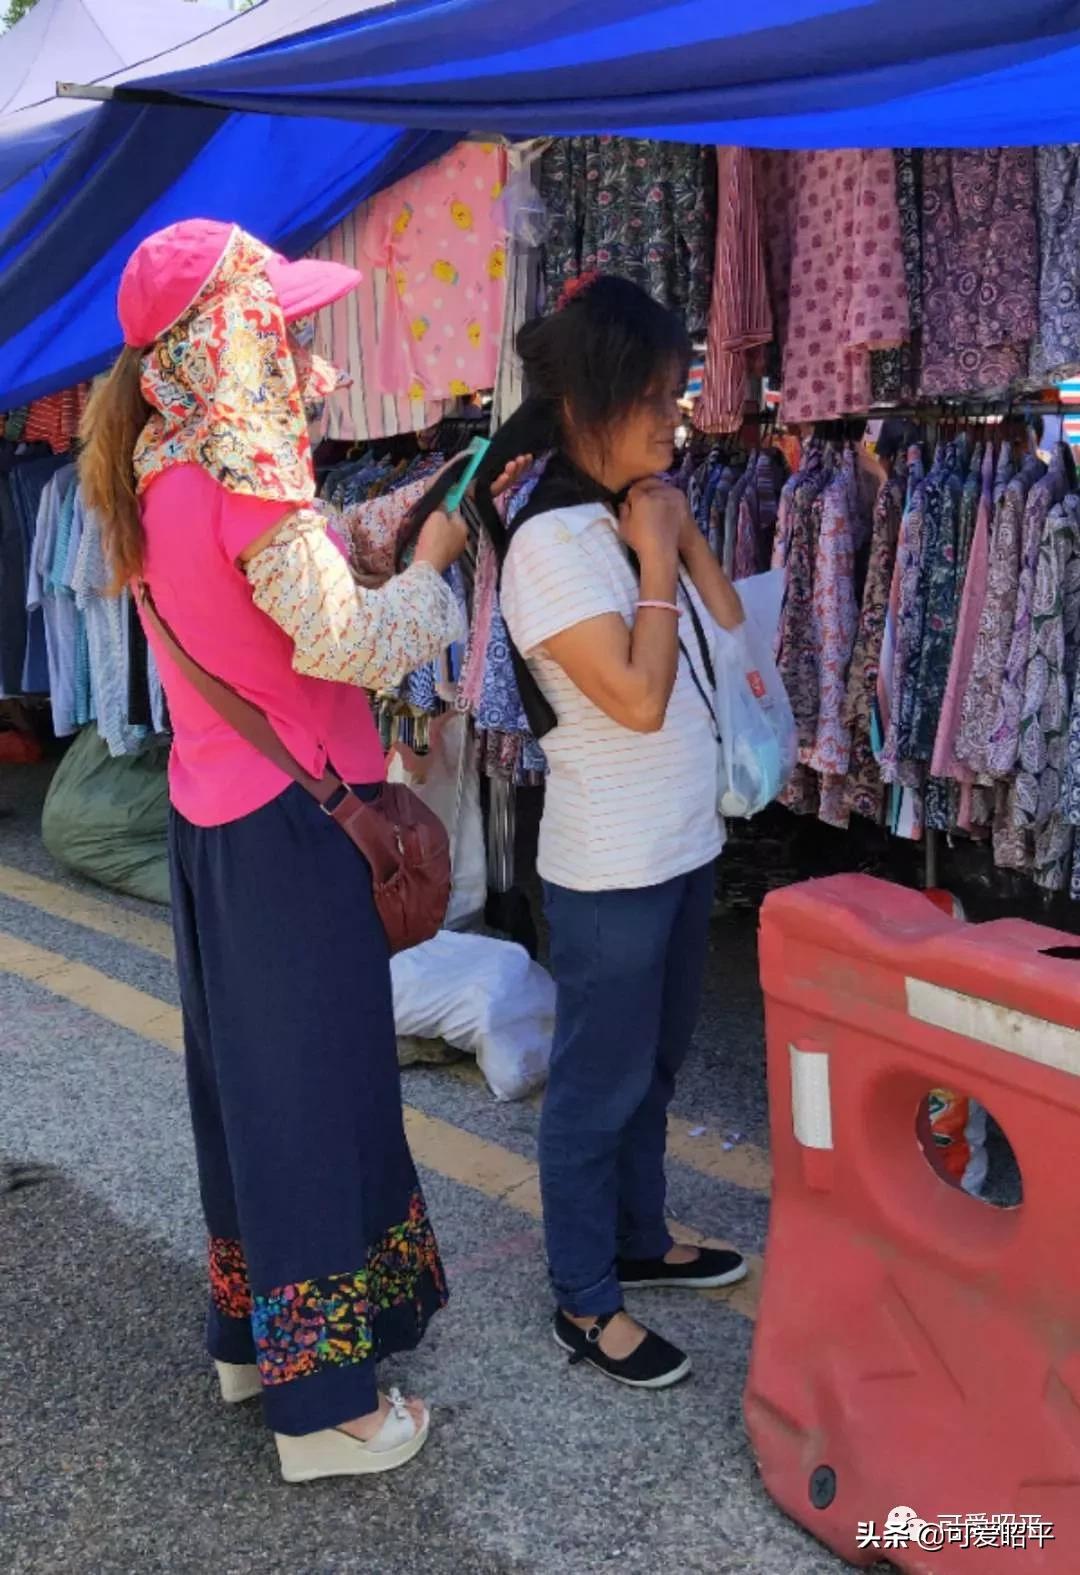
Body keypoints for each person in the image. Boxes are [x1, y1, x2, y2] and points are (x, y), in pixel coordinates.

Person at [78, 219, 524, 1481]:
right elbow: (344, 643)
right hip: (290, 832)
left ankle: (256, 1342)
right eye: (275, 322)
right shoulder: (243, 472)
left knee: (250, 1096)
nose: (299, 347)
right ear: (226, 338)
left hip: (219, 827)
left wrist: (382, 534)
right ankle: (327, 1411)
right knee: (315, 1101)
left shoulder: (159, 465)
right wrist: (435, 570)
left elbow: (276, 594)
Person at [488, 274, 749, 1389]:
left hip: (683, 843)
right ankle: (584, 1297)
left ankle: (639, 1239)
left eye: (677, 393)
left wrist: (678, 537)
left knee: (654, 1066)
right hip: (610, 868)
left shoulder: (627, 509)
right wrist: (652, 555)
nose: (672, 418)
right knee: (597, 1086)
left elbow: (730, 633)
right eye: (652, 396)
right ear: (590, 400)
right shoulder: (551, 542)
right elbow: (636, 701)